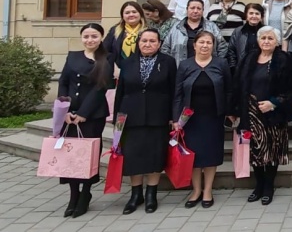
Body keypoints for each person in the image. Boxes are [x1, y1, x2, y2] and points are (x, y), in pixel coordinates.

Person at [114, 28, 177, 215]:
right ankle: (136, 195)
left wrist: (174, 116)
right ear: (138, 43)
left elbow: (174, 91)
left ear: (159, 44)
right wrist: (117, 119)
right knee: (133, 157)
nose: (148, 44)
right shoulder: (127, 62)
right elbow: (121, 91)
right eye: (144, 41)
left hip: (158, 116)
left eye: (152, 41)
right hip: (131, 116)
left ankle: (151, 194)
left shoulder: (168, 62)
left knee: (155, 156)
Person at [232, 26, 292, 205]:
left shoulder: (284, 60)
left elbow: (291, 88)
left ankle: (269, 187)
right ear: (258, 40)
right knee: (255, 151)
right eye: (263, 38)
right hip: (250, 113)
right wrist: (234, 110)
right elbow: (237, 84)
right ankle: (258, 185)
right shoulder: (248, 58)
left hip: (273, 114)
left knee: (272, 151)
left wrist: (274, 103)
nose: (266, 41)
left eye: (270, 38)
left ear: (277, 42)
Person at [57, 23, 114, 218]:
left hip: (92, 115)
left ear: (101, 38)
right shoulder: (73, 56)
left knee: (88, 155)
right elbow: (64, 82)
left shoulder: (107, 58)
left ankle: (86, 193)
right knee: (71, 156)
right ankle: (74, 195)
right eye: (86, 36)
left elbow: (101, 88)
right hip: (69, 114)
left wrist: (83, 113)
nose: (90, 40)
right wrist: (64, 109)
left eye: (94, 36)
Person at [174, 31, 233, 209]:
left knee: (210, 155)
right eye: (201, 42)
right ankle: (196, 190)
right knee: (193, 155)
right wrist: (175, 119)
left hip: (213, 117)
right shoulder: (185, 65)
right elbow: (178, 94)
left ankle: (208, 190)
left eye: (209, 43)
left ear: (213, 46)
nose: (205, 46)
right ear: (194, 45)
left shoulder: (221, 64)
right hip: (190, 119)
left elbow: (229, 90)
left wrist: (229, 112)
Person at [162, 0, 227, 63]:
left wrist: (216, 64)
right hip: (179, 67)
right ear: (187, 9)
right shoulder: (176, 27)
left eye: (199, 8)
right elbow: (165, 48)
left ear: (203, 11)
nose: (195, 11)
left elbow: (222, 47)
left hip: (207, 67)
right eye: (192, 8)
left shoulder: (212, 27)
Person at [104, 1, 148, 69]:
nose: (131, 15)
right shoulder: (115, 30)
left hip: (142, 70)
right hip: (118, 71)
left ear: (140, 14)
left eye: (134, 12)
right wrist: (113, 65)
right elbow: (104, 50)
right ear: (123, 16)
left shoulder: (148, 31)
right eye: (127, 13)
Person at [227, 4, 264, 72]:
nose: (254, 16)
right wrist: (234, 68)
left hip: (262, 70)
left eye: (257, 14)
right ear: (246, 16)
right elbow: (231, 51)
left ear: (261, 17)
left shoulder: (267, 31)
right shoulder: (238, 31)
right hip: (242, 70)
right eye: (251, 13)